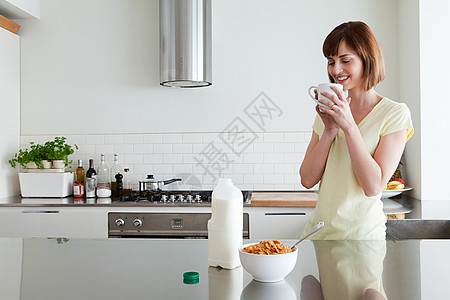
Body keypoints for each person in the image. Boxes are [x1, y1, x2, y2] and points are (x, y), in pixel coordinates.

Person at [300, 21, 413, 240]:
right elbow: (306, 179)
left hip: (362, 240)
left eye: (345, 60)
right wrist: (330, 130)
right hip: (318, 235)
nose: (335, 70)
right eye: (331, 62)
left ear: (367, 59)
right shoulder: (327, 112)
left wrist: (349, 126)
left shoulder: (394, 113)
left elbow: (373, 186)